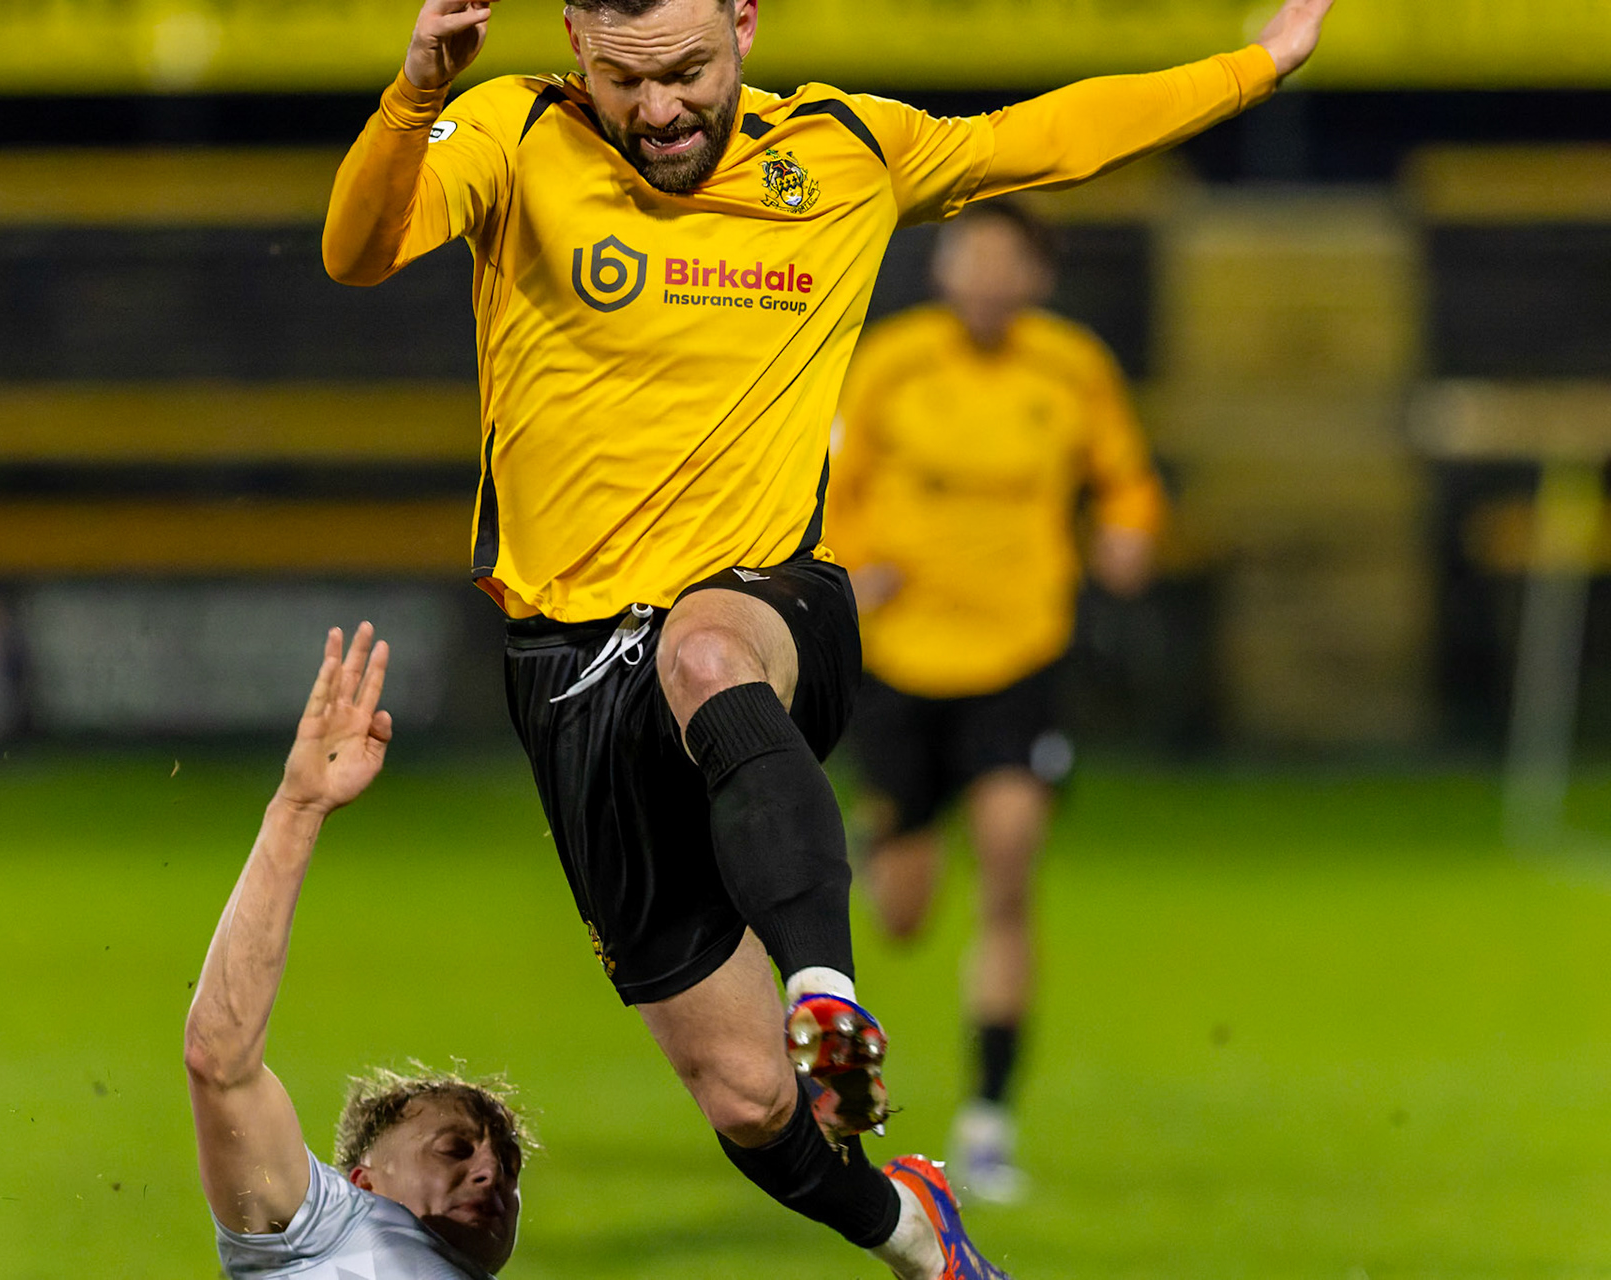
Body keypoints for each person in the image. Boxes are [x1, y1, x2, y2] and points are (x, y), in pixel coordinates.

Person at [320, 1, 1333, 1275]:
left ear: (745, 21)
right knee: (748, 1100)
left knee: (704, 655)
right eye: (625, 80)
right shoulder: (513, 132)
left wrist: (1256, 65)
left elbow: (1050, 137)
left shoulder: (846, 149)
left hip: (764, 601)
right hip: (568, 666)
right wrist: (412, 92)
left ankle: (826, 990)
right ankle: (916, 1231)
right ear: (576, 47)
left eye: (687, 71)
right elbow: (356, 252)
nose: (660, 110)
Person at [826, 199, 1165, 1205]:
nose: (984, 275)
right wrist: (852, 569)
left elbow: (1128, 481)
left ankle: (986, 1122)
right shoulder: (891, 363)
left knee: (1010, 864)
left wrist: (1130, 533)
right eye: (968, 255)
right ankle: (872, 835)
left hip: (1022, 654)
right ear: (944, 269)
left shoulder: (1071, 368)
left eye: (1004, 260)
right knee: (900, 912)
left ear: (1036, 277)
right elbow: (828, 484)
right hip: (904, 658)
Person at [184, 623, 530, 1278]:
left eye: (508, 1169)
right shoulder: (328, 1226)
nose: (491, 1172)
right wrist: (298, 809)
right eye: (453, 1150)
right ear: (364, 1180)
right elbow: (218, 1060)